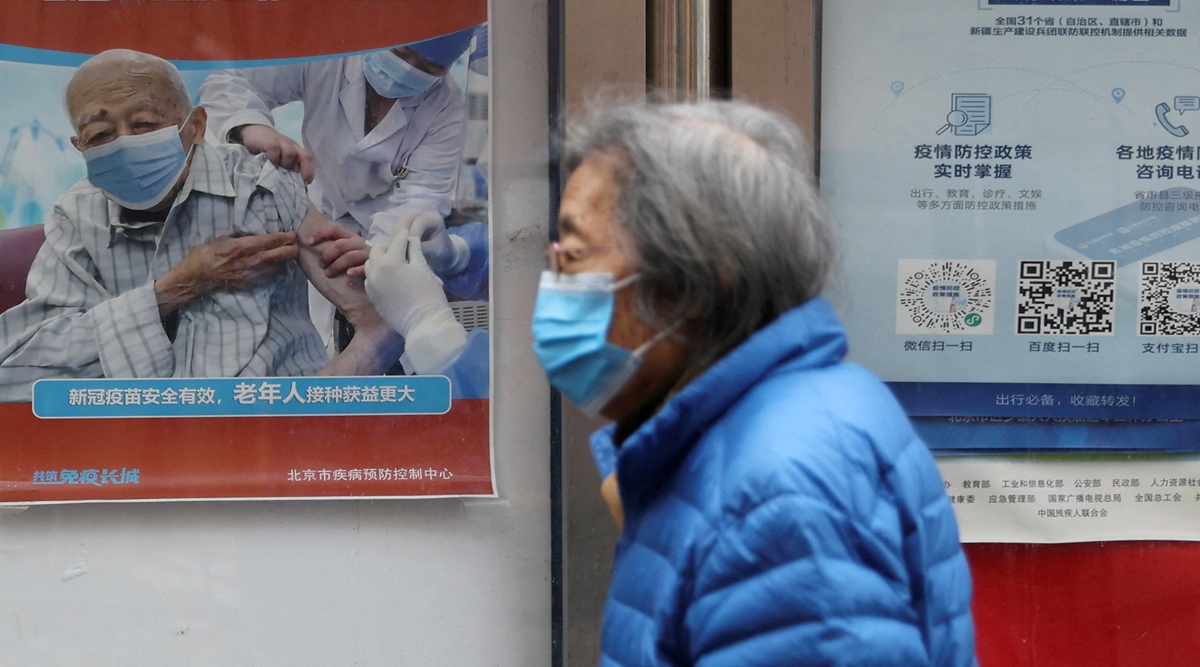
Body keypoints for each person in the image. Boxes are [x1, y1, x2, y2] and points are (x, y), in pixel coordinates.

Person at [532, 100, 977, 666]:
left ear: (695, 277)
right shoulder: (779, 424)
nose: (557, 282)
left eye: (574, 252)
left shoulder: (779, 494)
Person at [0, 49, 433, 402]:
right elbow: (16, 372)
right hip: (138, 448)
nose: (125, 144)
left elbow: (382, 324)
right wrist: (173, 288)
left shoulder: (261, 187)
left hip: (271, 437)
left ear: (196, 126)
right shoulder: (77, 219)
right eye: (100, 135)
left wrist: (310, 407)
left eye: (145, 124)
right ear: (78, 146)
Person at [198, 27, 489, 301]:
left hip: (389, 228)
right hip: (314, 208)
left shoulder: (447, 108)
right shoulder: (327, 52)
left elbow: (423, 196)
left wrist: (379, 252)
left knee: (377, 320)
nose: (408, 69)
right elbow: (232, 80)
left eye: (428, 69)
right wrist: (250, 126)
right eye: (399, 53)